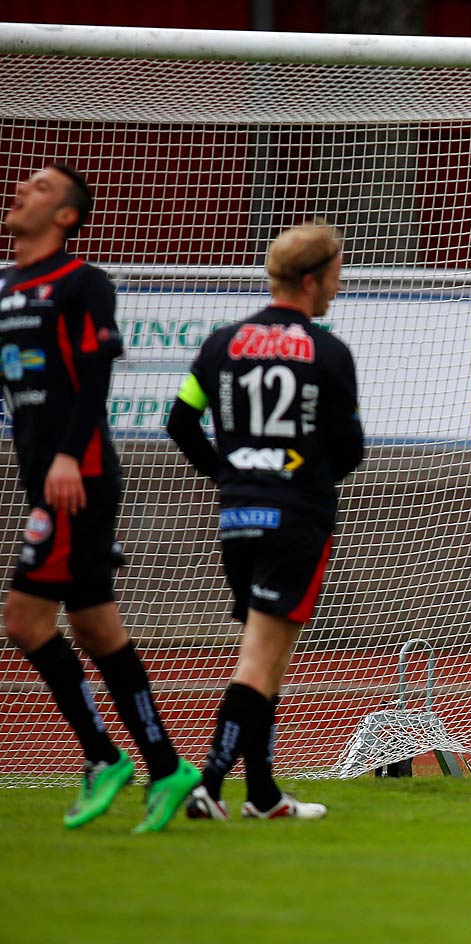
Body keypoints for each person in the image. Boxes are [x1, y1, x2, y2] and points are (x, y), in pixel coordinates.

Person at [1, 162, 199, 831]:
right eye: (24, 182)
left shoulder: (83, 283)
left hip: (75, 478)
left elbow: (93, 379)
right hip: (46, 473)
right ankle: (167, 767)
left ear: (65, 217)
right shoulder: (5, 286)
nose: (23, 188)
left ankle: (102, 757)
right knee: (94, 628)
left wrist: (63, 456)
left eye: (42, 187)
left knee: (26, 622)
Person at [164, 222, 363, 821]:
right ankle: (209, 784)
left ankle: (263, 795)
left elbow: (180, 420)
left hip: (238, 514)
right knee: (260, 657)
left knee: (269, 655)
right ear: (310, 279)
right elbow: (350, 447)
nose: (336, 287)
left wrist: (229, 475)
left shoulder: (219, 345)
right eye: (333, 276)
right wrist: (302, 476)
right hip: (296, 516)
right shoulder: (328, 352)